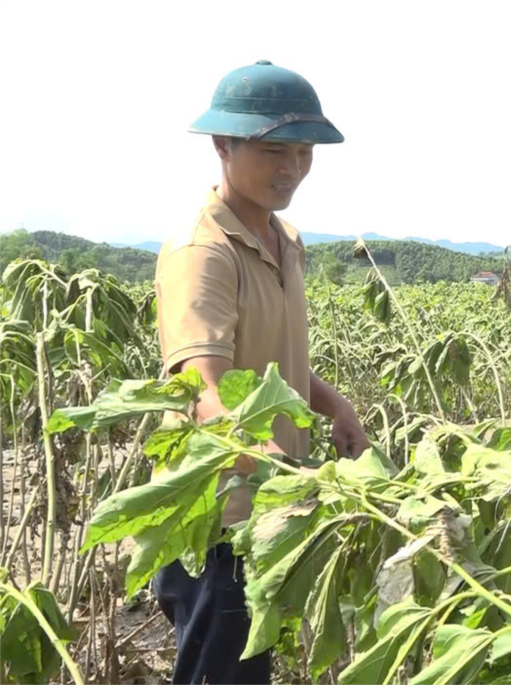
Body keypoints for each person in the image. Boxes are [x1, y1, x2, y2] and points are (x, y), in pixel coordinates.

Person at [151, 61, 370, 685]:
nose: (292, 169)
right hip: (218, 517)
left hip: (269, 507)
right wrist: (264, 454)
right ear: (223, 146)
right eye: (275, 150)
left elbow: (274, 367)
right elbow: (202, 389)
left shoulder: (284, 238)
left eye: (304, 152)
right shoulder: (204, 252)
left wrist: (336, 406)